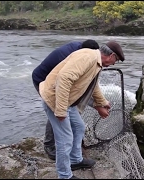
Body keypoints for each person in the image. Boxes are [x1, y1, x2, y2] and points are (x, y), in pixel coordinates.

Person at [39, 41, 125, 179]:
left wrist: (102, 102)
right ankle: (65, 175)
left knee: (79, 127)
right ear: (111, 55)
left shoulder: (96, 63)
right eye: (117, 60)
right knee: (65, 139)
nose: (115, 64)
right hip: (55, 100)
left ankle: (75, 160)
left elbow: (93, 85)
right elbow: (64, 78)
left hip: (69, 102)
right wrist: (60, 111)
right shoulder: (88, 57)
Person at [32, 40, 100, 160]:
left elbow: (83, 86)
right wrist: (61, 111)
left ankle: (74, 144)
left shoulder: (82, 50)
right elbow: (62, 81)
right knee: (55, 109)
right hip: (42, 80)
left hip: (56, 81)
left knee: (70, 113)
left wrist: (99, 103)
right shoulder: (75, 57)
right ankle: (49, 145)